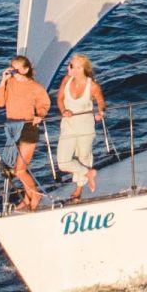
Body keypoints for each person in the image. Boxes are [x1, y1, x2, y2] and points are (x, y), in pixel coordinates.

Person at [0, 54, 49, 211]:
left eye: (17, 69)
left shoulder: (35, 87)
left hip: (28, 127)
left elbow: (44, 104)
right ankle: (27, 197)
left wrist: (40, 115)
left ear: (25, 69)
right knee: (15, 168)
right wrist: (3, 81)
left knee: (20, 170)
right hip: (12, 128)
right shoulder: (9, 84)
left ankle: (35, 195)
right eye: (12, 68)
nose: (14, 72)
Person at [56, 54, 106, 201]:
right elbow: (59, 99)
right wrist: (63, 110)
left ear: (80, 68)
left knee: (83, 157)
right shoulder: (66, 79)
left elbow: (101, 102)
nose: (68, 67)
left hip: (85, 127)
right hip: (68, 126)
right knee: (63, 162)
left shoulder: (93, 86)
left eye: (71, 65)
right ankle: (88, 173)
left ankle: (78, 189)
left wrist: (100, 112)